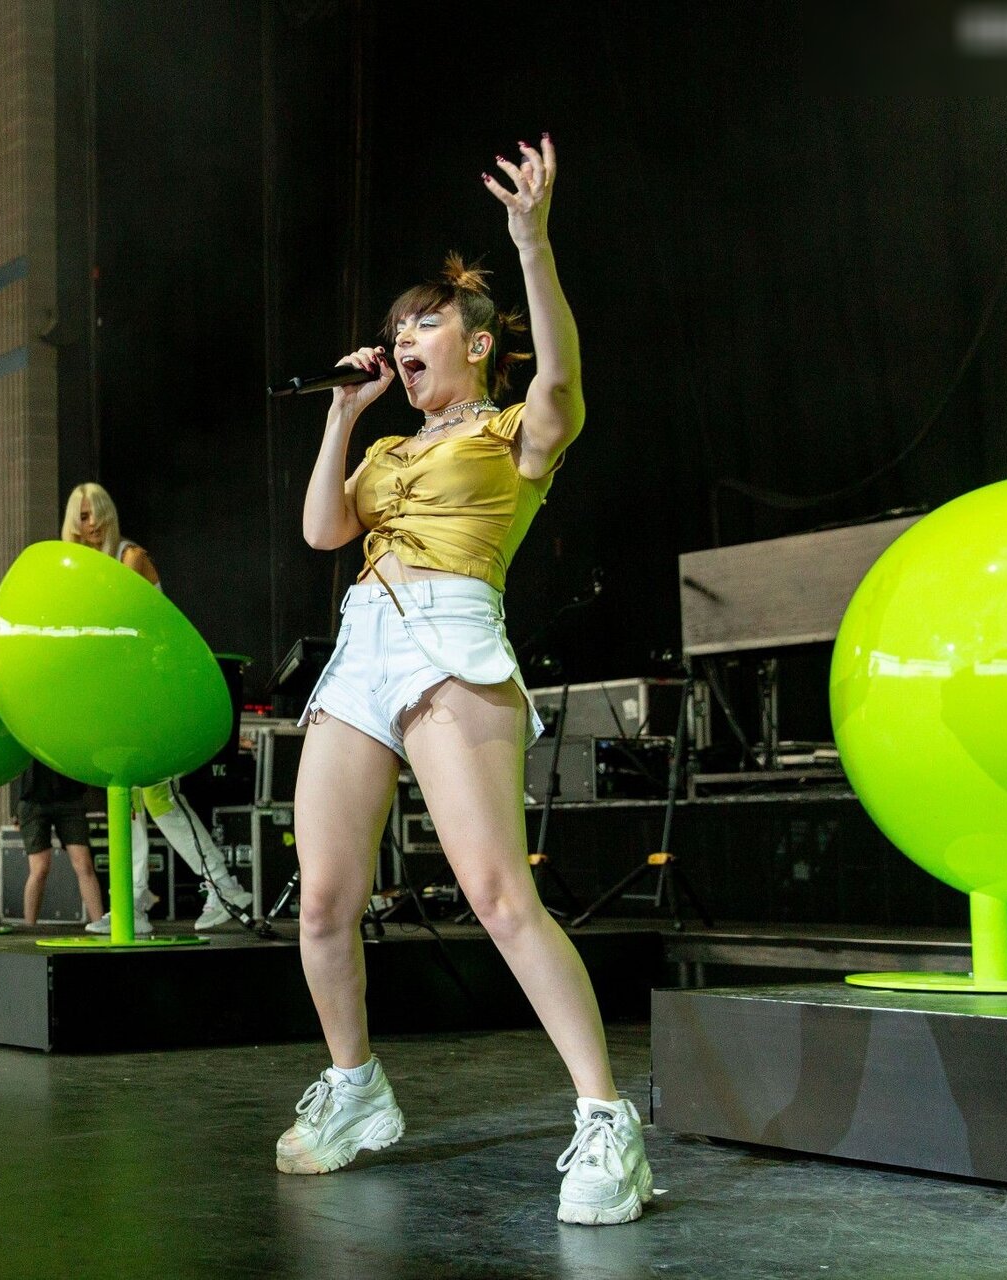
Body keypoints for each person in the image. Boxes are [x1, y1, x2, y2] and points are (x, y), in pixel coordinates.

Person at [280, 135, 652, 1224]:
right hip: (362, 645)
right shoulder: (386, 451)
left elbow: (562, 380)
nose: (402, 338)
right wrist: (343, 414)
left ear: (478, 345)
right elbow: (322, 531)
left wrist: (532, 241)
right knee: (322, 903)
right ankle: (355, 1088)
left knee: (497, 894)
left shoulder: (510, 433)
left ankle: (607, 1120)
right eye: (396, 328)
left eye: (424, 325)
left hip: (451, 636)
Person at [60, 482, 258, 933]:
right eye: (81, 516)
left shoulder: (129, 558)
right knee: (126, 797)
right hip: (121, 698)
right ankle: (135, 901)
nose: (89, 524)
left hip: (151, 695)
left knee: (157, 795)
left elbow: (131, 626)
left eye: (95, 513)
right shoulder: (85, 569)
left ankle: (222, 889)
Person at [13, 760, 105, 926]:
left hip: (69, 797)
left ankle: (100, 924)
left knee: (84, 864)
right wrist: (14, 808)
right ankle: (30, 926)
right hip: (33, 798)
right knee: (39, 868)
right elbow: (13, 766)